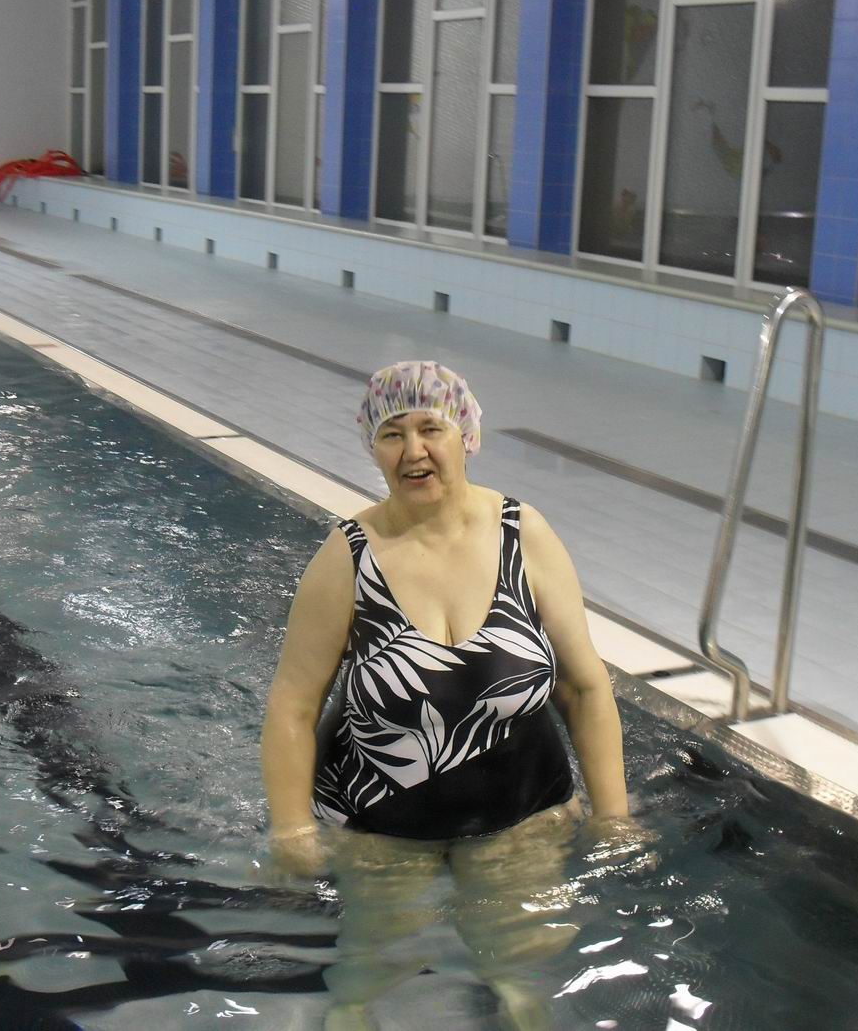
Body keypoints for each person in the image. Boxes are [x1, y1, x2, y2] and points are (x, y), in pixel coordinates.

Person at [261, 361, 634, 1030]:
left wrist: (614, 815)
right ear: (373, 448)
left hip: (521, 812)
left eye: (431, 428)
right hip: (382, 822)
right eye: (392, 434)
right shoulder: (349, 555)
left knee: (521, 975)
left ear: (466, 435)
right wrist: (291, 827)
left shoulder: (522, 533)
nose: (414, 451)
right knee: (366, 978)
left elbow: (584, 686)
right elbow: (293, 704)